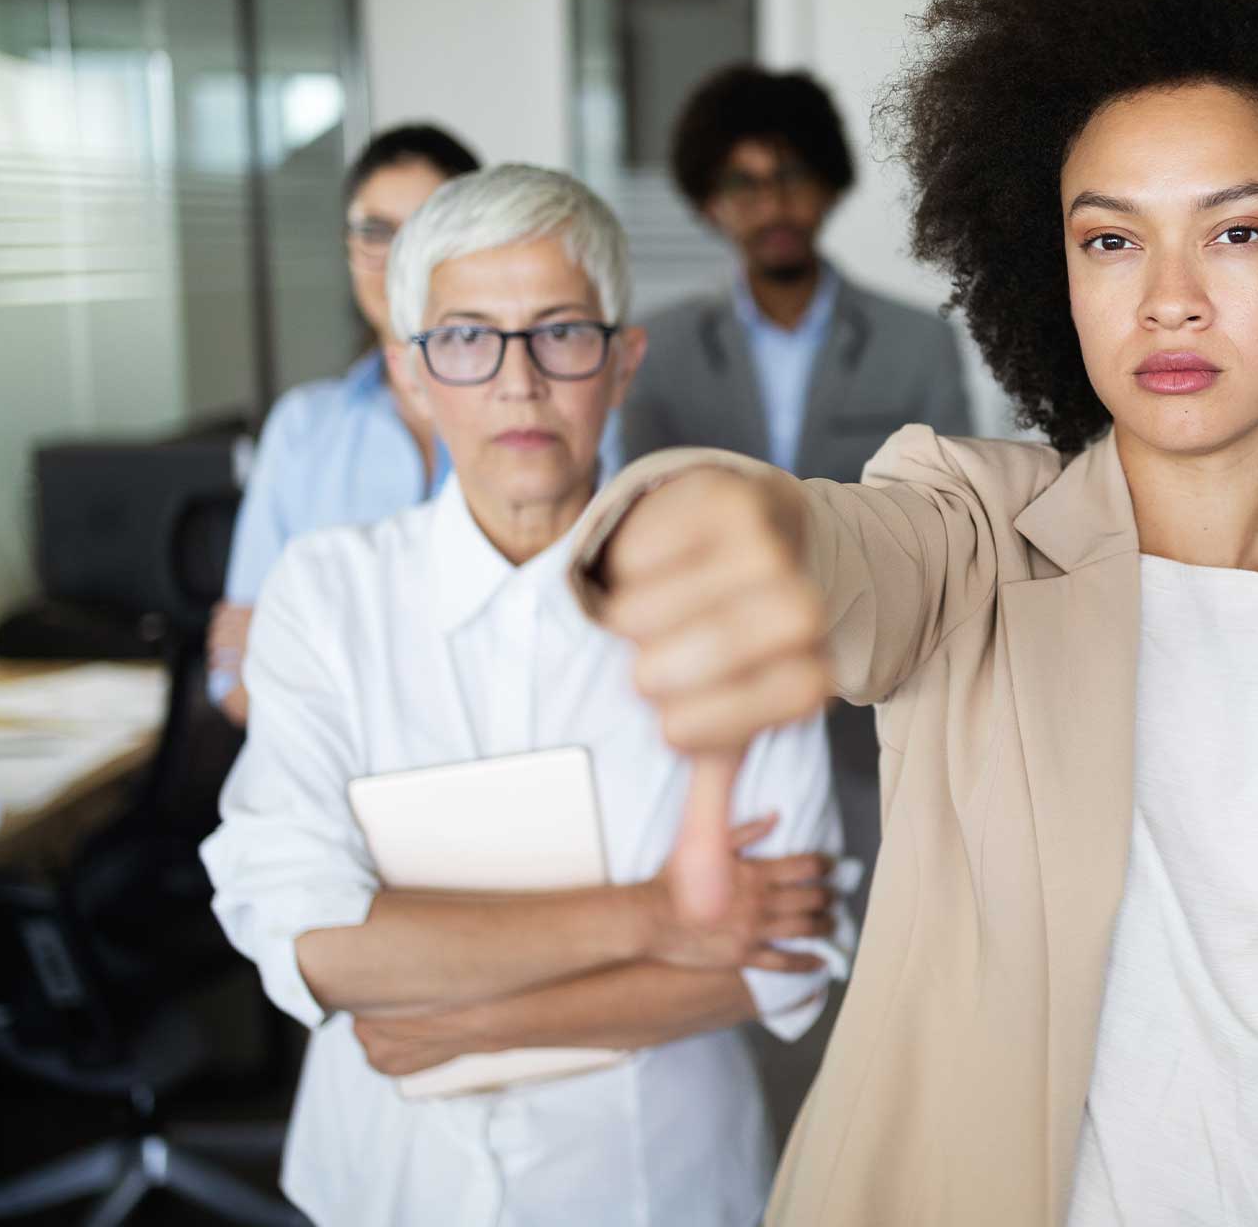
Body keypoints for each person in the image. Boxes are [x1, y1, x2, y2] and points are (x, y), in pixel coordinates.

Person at [566, 0, 1258, 1226]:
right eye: (1110, 242)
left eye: (1238, 231)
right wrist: (721, 518)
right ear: (1055, 273)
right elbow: (837, 542)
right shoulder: (974, 536)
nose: (1169, 299)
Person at [201, 165, 852, 1227]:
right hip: (386, 1178)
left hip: (647, 1180)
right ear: (413, 376)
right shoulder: (325, 595)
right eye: (465, 337)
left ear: (622, 358)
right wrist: (659, 917)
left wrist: (455, 1016)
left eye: (561, 332)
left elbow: (779, 963)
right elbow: (316, 939)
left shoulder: (712, 591)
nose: (518, 382)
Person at [210, 123, 617, 727]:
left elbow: (597, 642)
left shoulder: (567, 402)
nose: (402, 252)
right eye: (376, 231)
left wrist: (339, 674)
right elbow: (240, 671)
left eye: (429, 223)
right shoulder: (303, 427)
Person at [619, 66, 972, 476]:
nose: (773, 207)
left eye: (793, 177)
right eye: (743, 183)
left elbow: (955, 510)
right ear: (710, 203)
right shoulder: (657, 351)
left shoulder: (919, 344)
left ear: (829, 186)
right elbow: (638, 500)